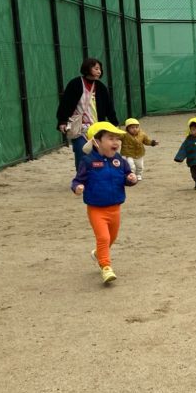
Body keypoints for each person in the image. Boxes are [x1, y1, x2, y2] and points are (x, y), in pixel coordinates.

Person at [71, 121, 138, 284]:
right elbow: (77, 180)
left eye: (117, 139)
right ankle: (106, 267)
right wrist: (77, 187)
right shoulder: (88, 161)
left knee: (112, 238)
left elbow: (126, 176)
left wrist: (131, 179)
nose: (116, 142)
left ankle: (98, 254)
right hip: (96, 209)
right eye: (110, 138)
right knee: (103, 237)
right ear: (96, 141)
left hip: (115, 208)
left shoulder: (119, 160)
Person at [56, 57, 119, 171]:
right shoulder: (75, 84)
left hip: (97, 127)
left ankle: (96, 175)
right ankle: (82, 177)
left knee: (98, 153)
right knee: (81, 152)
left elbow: (109, 107)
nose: (99, 71)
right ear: (87, 68)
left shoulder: (101, 87)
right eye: (96, 68)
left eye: (100, 69)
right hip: (80, 127)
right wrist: (62, 121)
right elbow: (65, 103)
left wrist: (114, 123)